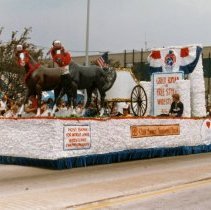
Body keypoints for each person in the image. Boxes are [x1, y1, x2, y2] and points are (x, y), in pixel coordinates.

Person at [49, 40, 74, 108]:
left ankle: (68, 100)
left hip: (65, 67)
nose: (57, 45)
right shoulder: (54, 51)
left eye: (58, 44)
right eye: (56, 44)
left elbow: (67, 58)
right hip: (61, 68)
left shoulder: (62, 50)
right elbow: (56, 58)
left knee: (68, 80)